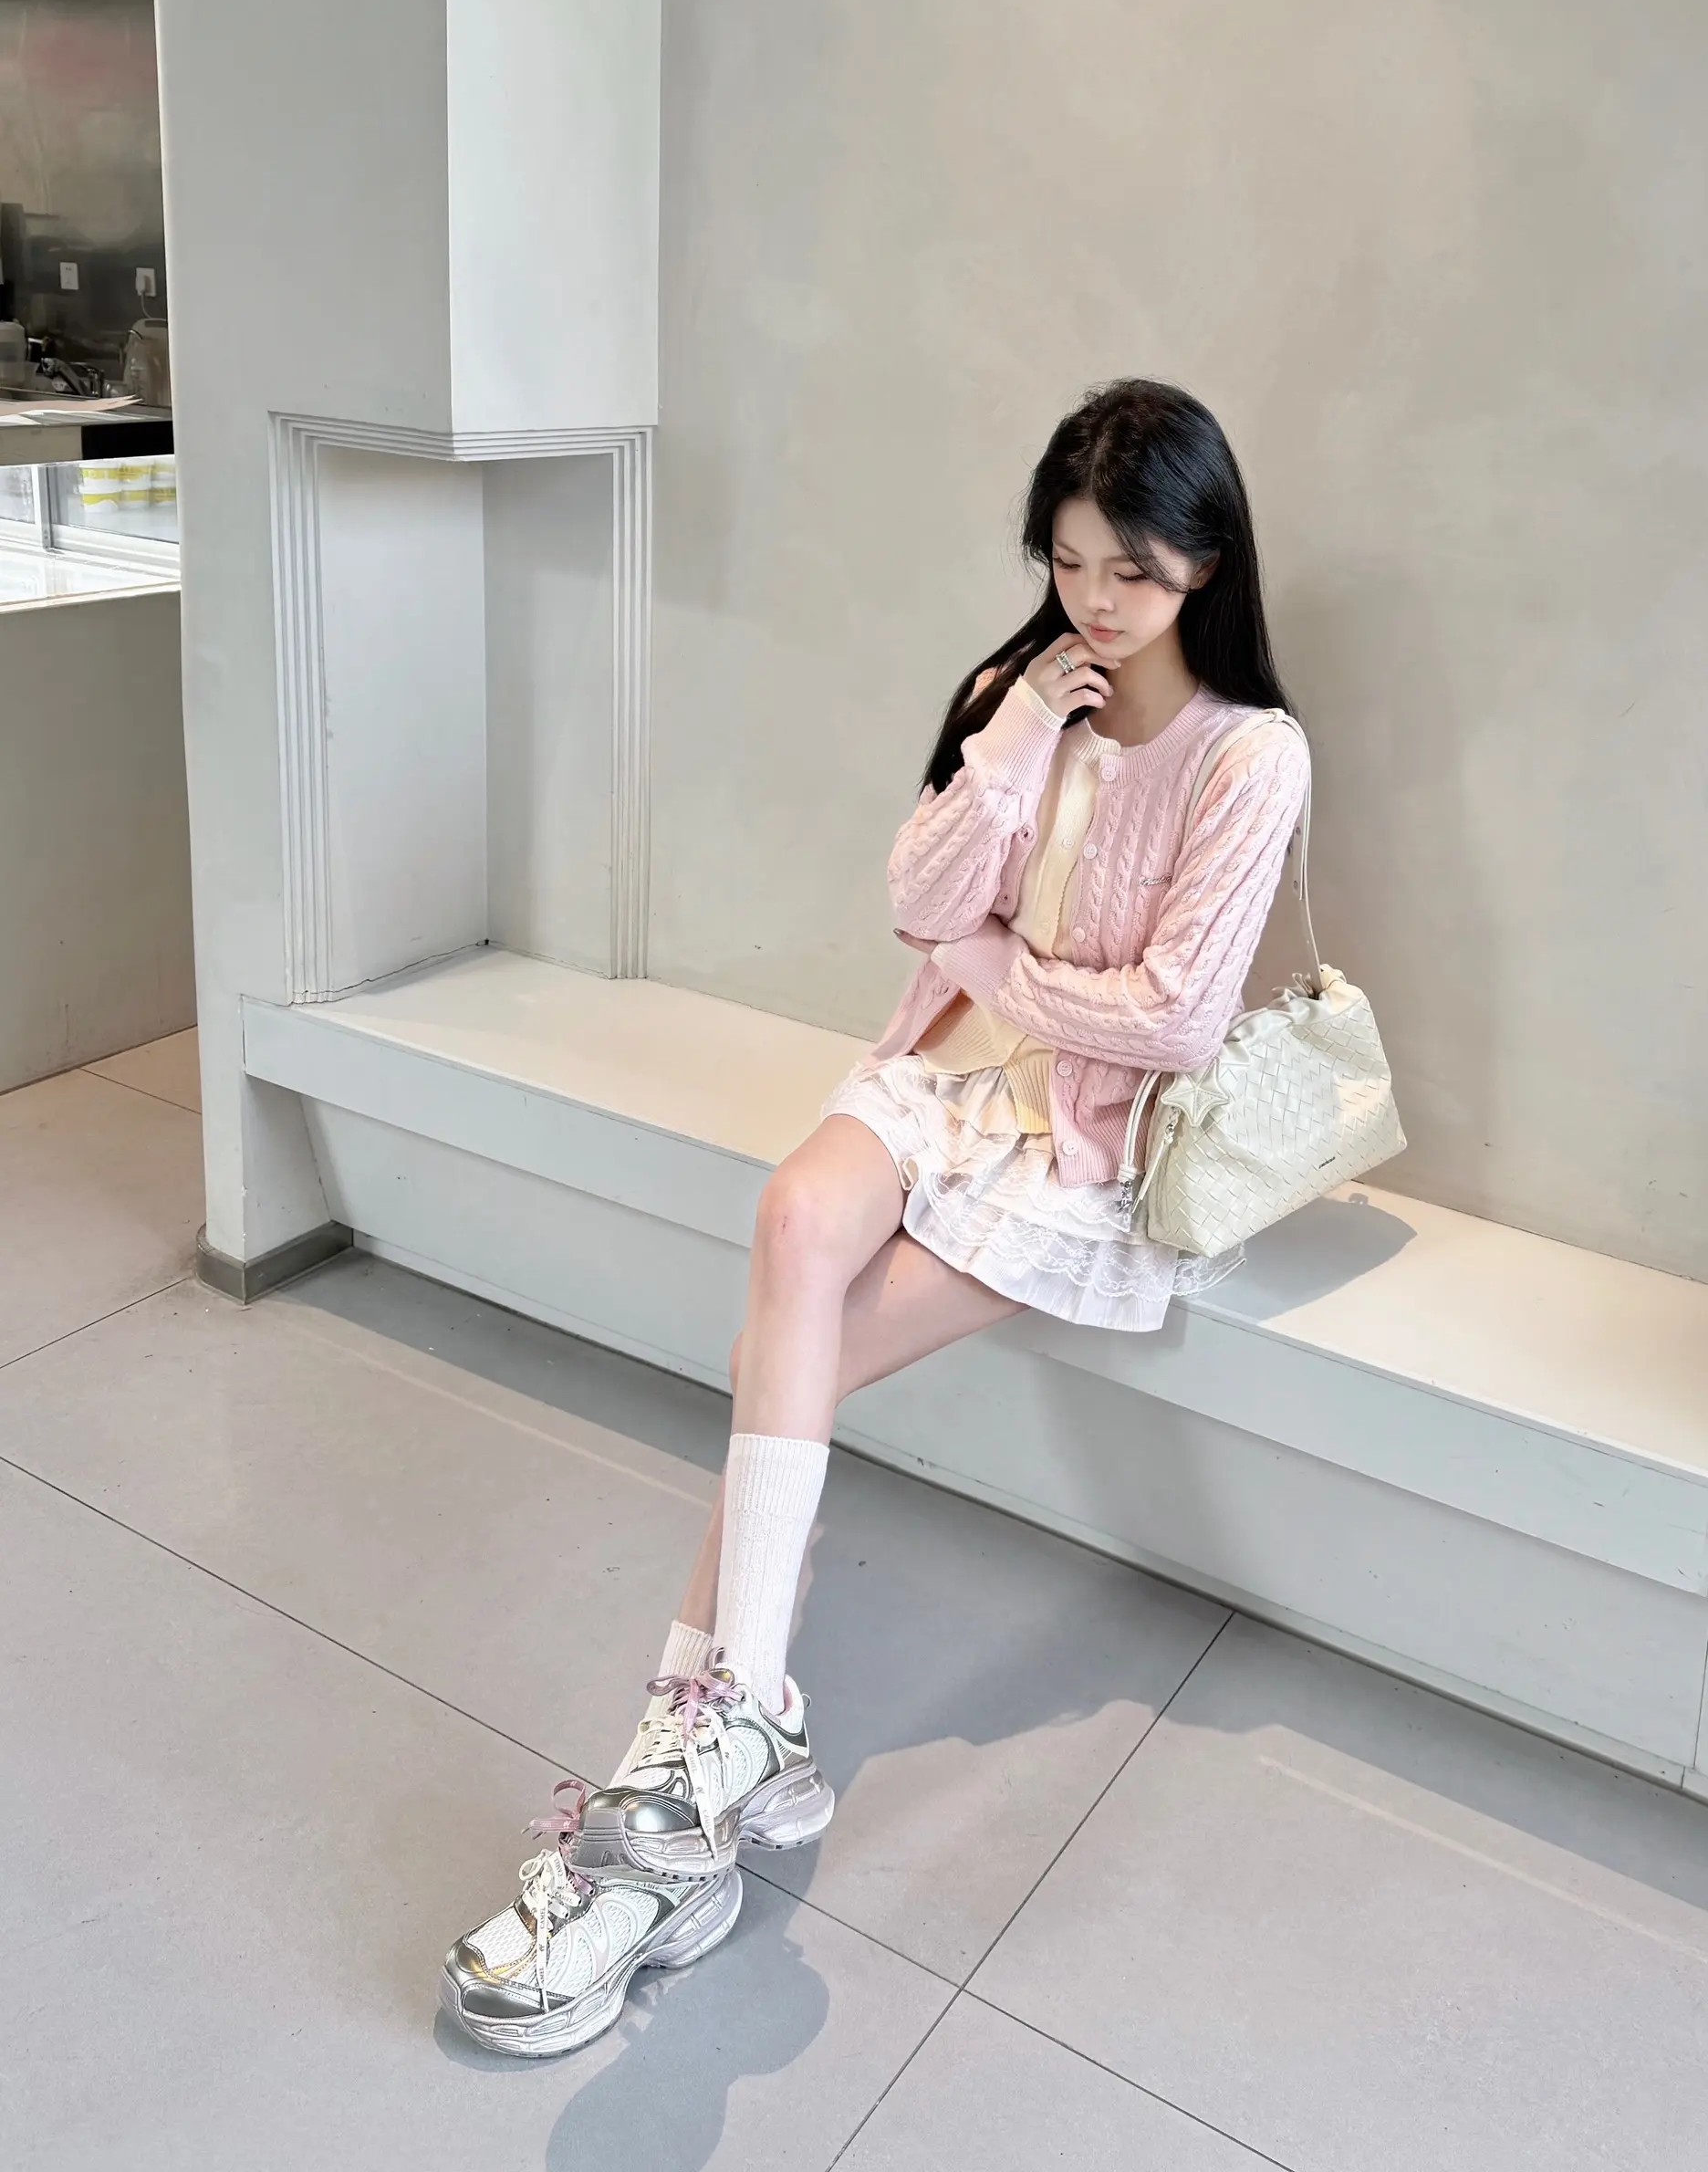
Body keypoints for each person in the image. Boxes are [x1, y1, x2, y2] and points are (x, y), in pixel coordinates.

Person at [441, 378, 1312, 2054]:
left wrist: (992, 961)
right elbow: (916, 899)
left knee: (791, 1360)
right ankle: (730, 1742)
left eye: (1132, 570)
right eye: (1067, 561)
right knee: (794, 1223)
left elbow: (1174, 1017)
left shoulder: (1247, 755)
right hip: (939, 1075)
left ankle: (676, 1791)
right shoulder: (1019, 694)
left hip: (1076, 1141)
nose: (1094, 601)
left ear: (1206, 560)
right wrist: (1015, 740)